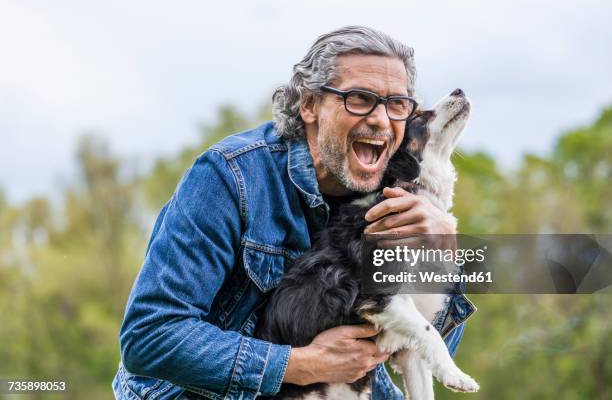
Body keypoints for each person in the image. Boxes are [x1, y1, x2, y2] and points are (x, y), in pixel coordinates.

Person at [112, 25, 475, 400]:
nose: (381, 120)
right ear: (309, 105)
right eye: (359, 98)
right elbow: (150, 335)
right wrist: (301, 364)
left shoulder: (399, 190)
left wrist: (442, 248)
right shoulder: (229, 176)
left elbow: (433, 347)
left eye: (397, 104)